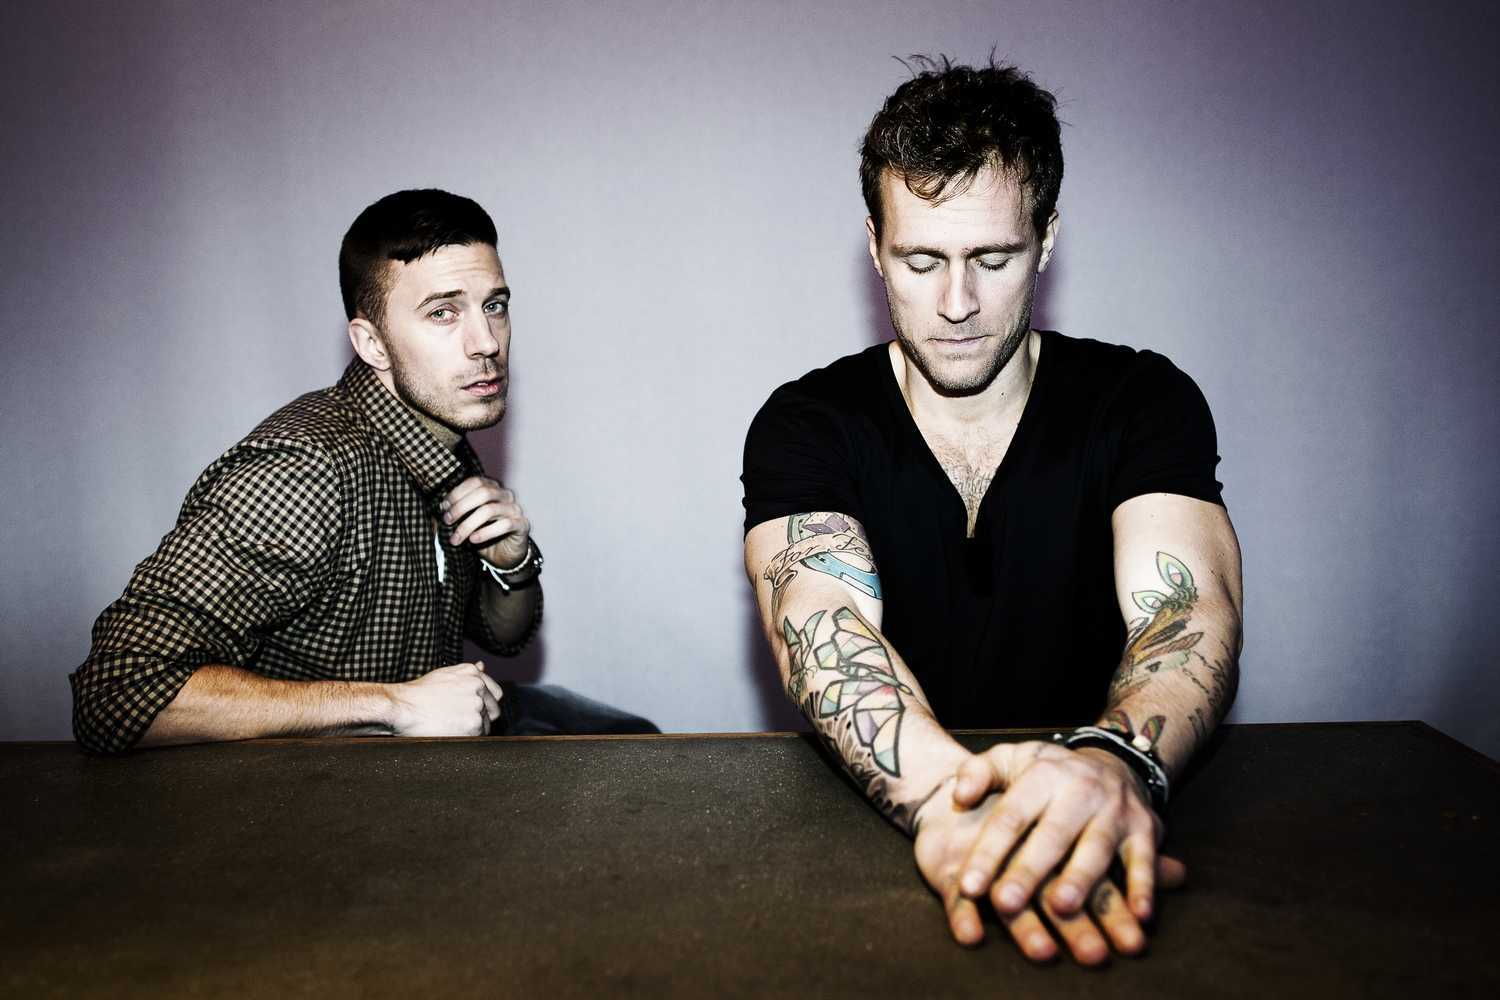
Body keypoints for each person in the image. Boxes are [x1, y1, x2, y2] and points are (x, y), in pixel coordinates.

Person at [741, 59, 1242, 965]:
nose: (958, 304)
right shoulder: (808, 423)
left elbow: (1187, 611)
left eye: (994, 259)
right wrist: (952, 804)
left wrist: (1113, 765)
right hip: (889, 832)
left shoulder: (1140, 401)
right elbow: (817, 618)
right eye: (921, 260)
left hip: (1103, 810)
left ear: (1046, 241)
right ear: (874, 246)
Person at [72, 188, 654, 753]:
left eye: (493, 306)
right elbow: (115, 692)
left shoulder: (440, 442)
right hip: (295, 800)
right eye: (443, 312)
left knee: (630, 739)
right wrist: (394, 706)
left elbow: (504, 634)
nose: (485, 342)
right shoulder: (306, 468)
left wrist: (512, 564)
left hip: (407, 783)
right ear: (372, 344)